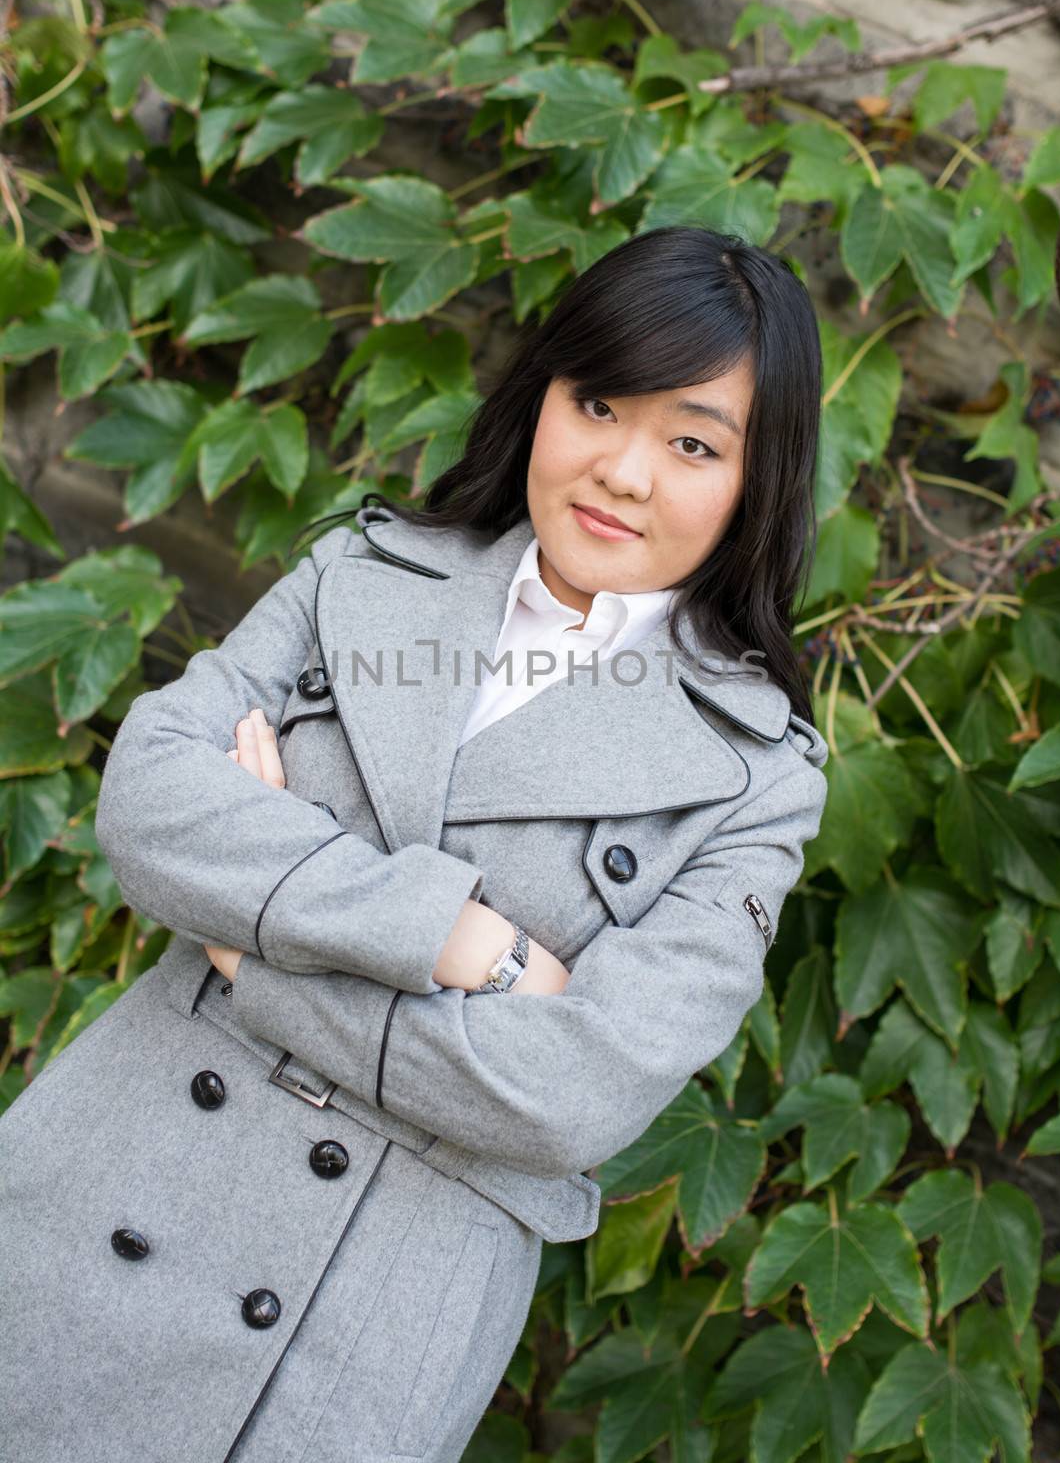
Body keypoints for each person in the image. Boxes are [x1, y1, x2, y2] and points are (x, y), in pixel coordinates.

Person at [0, 224, 830, 1462]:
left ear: (754, 479)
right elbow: (154, 797)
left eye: (693, 442)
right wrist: (465, 943)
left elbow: (573, 1091)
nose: (622, 471)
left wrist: (254, 950)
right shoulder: (367, 570)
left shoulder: (754, 772)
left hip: (360, 1318)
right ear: (540, 393)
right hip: (104, 1190)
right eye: (596, 402)